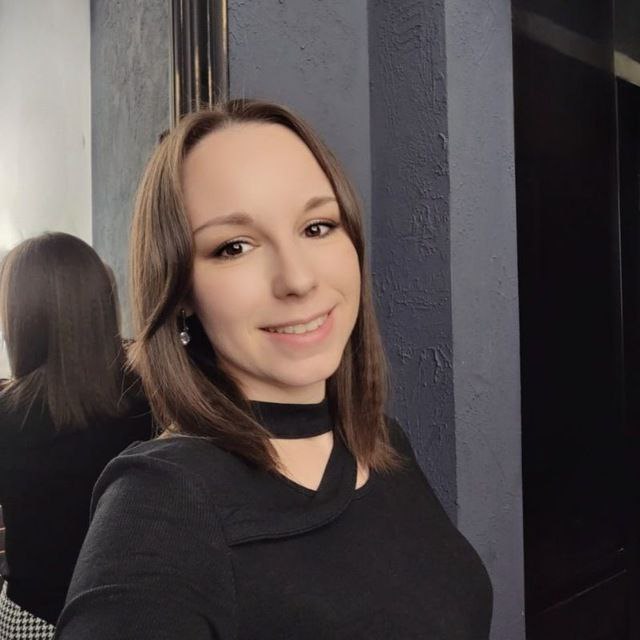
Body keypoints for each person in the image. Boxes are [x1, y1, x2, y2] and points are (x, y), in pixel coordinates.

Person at [56, 101, 493, 639]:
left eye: (317, 226)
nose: (297, 279)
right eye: (234, 247)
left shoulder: (381, 440)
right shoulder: (162, 504)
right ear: (180, 290)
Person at [0, 233, 153, 639]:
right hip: (136, 616)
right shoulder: (152, 400)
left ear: (21, 317)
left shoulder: (7, 414)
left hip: (34, 620)